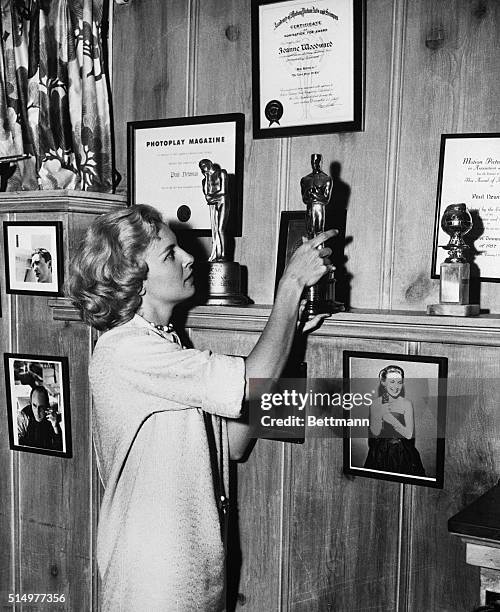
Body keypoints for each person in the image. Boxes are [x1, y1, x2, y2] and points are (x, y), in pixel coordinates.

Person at [67, 204, 336, 611]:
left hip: (196, 577)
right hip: (153, 584)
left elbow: (233, 445)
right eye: (170, 254)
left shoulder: (166, 343)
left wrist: (291, 338)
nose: (190, 257)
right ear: (135, 279)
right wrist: (292, 283)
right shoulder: (125, 350)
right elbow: (248, 380)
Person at [364, 365, 426, 476]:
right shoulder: (376, 404)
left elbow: (408, 434)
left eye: (399, 382)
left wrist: (389, 418)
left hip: (404, 454)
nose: (396, 386)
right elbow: (375, 433)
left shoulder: (407, 404)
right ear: (384, 383)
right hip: (380, 454)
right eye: (392, 381)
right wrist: (379, 414)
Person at [199, 159, 229, 262]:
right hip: (213, 204)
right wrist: (207, 177)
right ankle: (216, 254)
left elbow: (223, 191)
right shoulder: (204, 180)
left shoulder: (222, 173)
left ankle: (222, 255)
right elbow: (207, 194)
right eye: (201, 167)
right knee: (214, 230)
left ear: (209, 164)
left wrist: (211, 197)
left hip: (223, 202)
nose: (203, 168)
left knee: (220, 228)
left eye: (204, 165)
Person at [17, 385, 63, 451]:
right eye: (34, 405)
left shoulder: (51, 417)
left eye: (41, 407)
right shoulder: (24, 416)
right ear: (30, 403)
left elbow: (59, 449)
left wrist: (55, 426)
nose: (37, 412)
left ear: (47, 405)